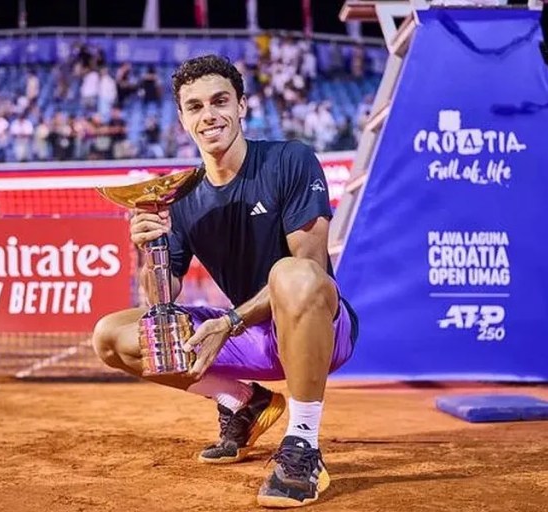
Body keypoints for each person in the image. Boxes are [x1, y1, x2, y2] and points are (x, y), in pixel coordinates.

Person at [91, 55, 358, 508]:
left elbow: (310, 268)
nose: (208, 114)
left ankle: (303, 443)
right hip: (247, 335)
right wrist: (149, 251)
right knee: (111, 336)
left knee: (290, 274)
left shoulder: (289, 160)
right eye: (194, 107)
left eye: (220, 101)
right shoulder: (181, 197)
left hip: (319, 328)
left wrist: (230, 321)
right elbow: (161, 305)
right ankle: (245, 401)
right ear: (182, 119)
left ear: (241, 106)